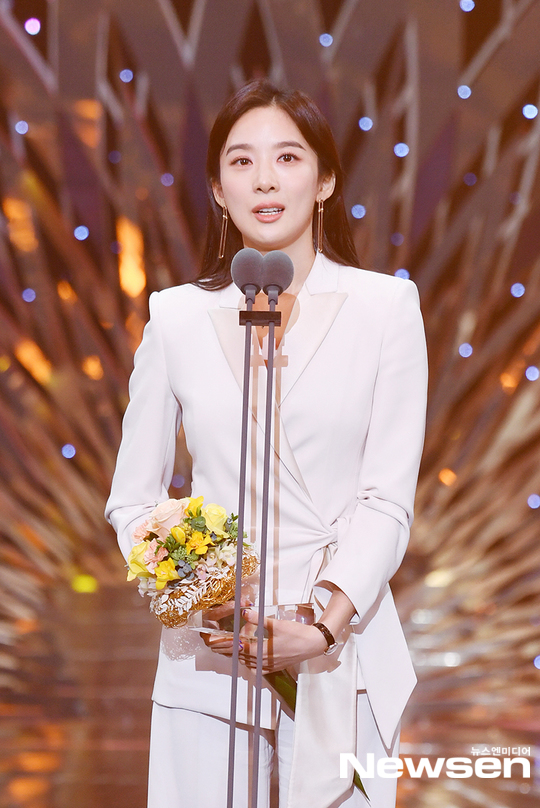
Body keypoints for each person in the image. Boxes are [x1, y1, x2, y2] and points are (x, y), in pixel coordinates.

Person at [105, 79, 428, 808]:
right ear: (219, 190)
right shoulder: (176, 317)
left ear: (325, 179)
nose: (265, 180)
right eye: (242, 161)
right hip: (209, 654)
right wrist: (196, 585)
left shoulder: (385, 308)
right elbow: (132, 499)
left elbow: (386, 498)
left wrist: (324, 625)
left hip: (340, 652)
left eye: (287, 157)